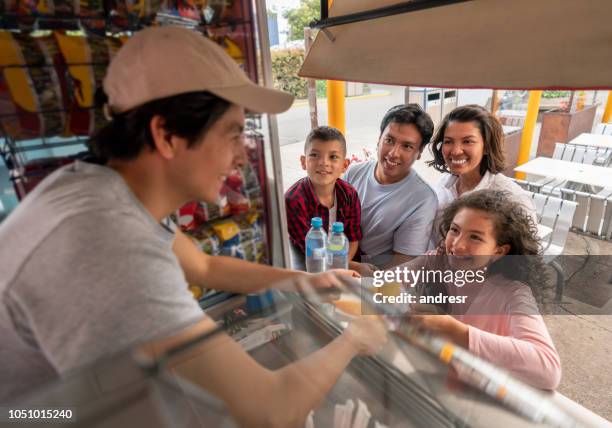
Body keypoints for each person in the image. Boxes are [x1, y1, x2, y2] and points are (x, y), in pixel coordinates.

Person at [0, 26, 388, 426]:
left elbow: (205, 267)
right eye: (233, 134)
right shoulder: (103, 245)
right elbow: (269, 411)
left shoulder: (105, 186)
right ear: (166, 135)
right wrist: (356, 339)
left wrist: (306, 281)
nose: (242, 156)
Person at [405, 190, 561, 390]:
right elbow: (383, 284)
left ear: (498, 251)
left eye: (475, 238)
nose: (458, 245)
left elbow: (548, 368)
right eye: (454, 230)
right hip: (435, 382)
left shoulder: (514, 294)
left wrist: (455, 330)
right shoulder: (434, 260)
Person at [344, 104, 438, 266]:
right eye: (389, 140)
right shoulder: (354, 173)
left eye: (407, 146)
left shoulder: (422, 200)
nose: (394, 153)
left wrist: (345, 268)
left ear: (420, 152)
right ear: (379, 139)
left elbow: (401, 268)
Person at [428, 104, 537, 225]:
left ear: (487, 146)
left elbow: (527, 244)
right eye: (448, 141)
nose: (455, 151)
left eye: (468, 141)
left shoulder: (512, 200)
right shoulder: (442, 186)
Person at [285, 126, 363, 272]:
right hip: (311, 270)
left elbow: (353, 239)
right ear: (303, 161)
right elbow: (313, 254)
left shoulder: (349, 194)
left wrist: (344, 266)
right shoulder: (293, 201)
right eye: (314, 155)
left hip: (345, 263)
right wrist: (349, 267)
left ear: (344, 165)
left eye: (333, 157)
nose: (323, 162)